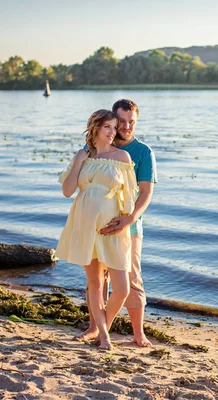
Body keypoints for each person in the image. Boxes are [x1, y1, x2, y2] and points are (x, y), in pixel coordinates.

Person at [56, 109, 137, 350]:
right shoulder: (83, 156)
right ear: (95, 129)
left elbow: (129, 196)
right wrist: (79, 162)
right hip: (85, 226)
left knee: (121, 288)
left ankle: (103, 328)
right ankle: (104, 336)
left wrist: (126, 221)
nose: (113, 132)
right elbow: (68, 191)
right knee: (95, 284)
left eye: (114, 128)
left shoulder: (122, 157)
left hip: (111, 228)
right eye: (108, 128)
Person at [82, 99, 157, 347]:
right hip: (97, 225)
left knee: (131, 279)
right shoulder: (97, 147)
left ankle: (137, 333)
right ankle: (96, 329)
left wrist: (130, 219)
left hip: (130, 227)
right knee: (97, 280)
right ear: (112, 121)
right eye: (121, 122)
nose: (125, 127)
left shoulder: (143, 152)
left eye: (131, 122)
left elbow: (145, 192)